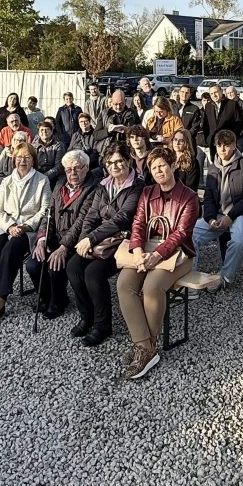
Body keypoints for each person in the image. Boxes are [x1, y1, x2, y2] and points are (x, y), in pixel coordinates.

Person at [116, 147, 199, 379]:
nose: (159, 170)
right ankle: (145, 345)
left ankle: (145, 348)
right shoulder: (147, 193)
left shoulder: (189, 197)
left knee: (152, 287)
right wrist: (139, 251)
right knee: (125, 284)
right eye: (154, 167)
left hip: (178, 254)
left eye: (163, 165)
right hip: (147, 248)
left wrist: (156, 255)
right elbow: (138, 224)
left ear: (172, 165)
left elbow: (181, 234)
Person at [68, 142, 145, 346]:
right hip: (98, 240)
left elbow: (122, 218)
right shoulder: (104, 185)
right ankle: (87, 317)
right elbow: (91, 215)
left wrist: (91, 239)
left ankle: (103, 325)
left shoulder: (137, 186)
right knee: (74, 267)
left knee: (93, 273)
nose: (115, 166)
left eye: (119, 161)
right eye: (110, 163)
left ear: (128, 161)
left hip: (122, 242)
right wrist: (85, 239)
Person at [0, 143, 52, 326]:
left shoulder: (42, 180)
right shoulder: (7, 182)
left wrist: (26, 226)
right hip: (6, 226)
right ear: (14, 160)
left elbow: (45, 210)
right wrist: (10, 225)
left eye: (27, 157)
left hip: (28, 230)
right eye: (19, 157)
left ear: (33, 160)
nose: (23, 161)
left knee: (10, 250)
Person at [24, 150, 98, 320]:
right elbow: (48, 214)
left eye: (77, 168)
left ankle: (59, 300)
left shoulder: (92, 188)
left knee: (55, 267)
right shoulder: (59, 184)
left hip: (75, 241)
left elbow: (81, 222)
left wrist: (63, 247)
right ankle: (45, 296)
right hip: (53, 237)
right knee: (33, 265)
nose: (72, 173)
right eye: (68, 169)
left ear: (86, 168)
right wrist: (42, 239)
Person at [193, 129, 243, 290]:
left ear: (233, 145)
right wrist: (210, 218)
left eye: (226, 145)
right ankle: (190, 274)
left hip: (241, 214)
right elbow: (209, 198)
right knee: (191, 234)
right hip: (218, 214)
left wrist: (230, 216)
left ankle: (225, 277)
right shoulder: (213, 168)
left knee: (239, 241)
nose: (222, 149)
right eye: (219, 146)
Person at [204, 85, 241, 159]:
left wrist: (230, 139)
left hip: (228, 144)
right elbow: (206, 125)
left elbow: (239, 124)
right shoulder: (208, 106)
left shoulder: (232, 104)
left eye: (216, 92)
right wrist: (208, 139)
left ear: (221, 92)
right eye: (211, 93)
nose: (214, 95)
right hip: (213, 144)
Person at [33, 120, 65, 186]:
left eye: (47, 129)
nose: (44, 132)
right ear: (38, 132)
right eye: (42, 130)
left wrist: (45, 176)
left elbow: (59, 166)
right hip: (37, 177)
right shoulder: (33, 146)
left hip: (54, 177)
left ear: (51, 131)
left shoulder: (58, 145)